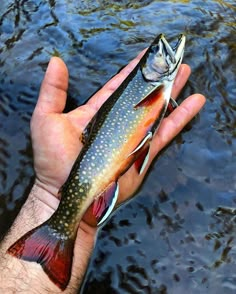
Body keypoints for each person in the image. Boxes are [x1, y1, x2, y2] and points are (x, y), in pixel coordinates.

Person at [0, 52, 205, 293]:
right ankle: (56, 233)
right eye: (157, 53)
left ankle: (54, 236)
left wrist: (47, 197)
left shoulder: (153, 88)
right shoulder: (152, 88)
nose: (163, 54)